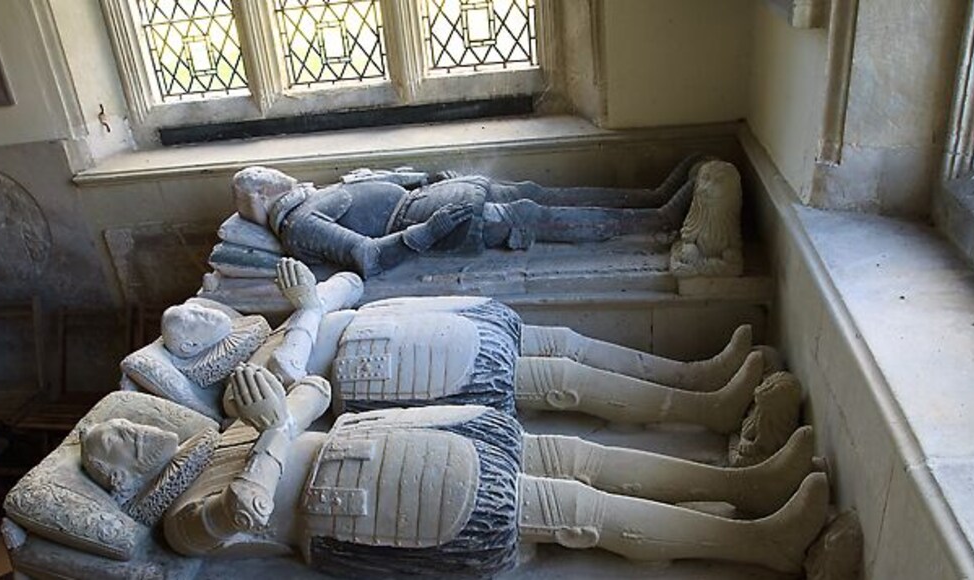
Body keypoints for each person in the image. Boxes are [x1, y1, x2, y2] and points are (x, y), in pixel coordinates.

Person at [81, 366, 829, 576]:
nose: (125, 427)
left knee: (582, 458)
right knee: (573, 507)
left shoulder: (214, 440)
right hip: (377, 503)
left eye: (118, 419)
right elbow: (243, 513)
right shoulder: (179, 513)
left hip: (402, 443)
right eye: (110, 441)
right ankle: (763, 543)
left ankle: (745, 487)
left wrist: (280, 407)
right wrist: (276, 423)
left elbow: (316, 393)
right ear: (119, 481)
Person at [122, 258, 778, 435]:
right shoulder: (256, 372)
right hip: (405, 373)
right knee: (561, 382)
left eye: (198, 308)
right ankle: (706, 413)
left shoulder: (275, 325)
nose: (203, 311)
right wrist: (310, 306)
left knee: (569, 344)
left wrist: (314, 300)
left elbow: (352, 281)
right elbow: (302, 380)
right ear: (199, 354)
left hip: (426, 326)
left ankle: (698, 377)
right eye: (194, 322)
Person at [229, 156, 714, 277]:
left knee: (530, 190)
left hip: (428, 193)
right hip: (420, 219)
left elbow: (378, 184)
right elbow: (368, 256)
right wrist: (429, 231)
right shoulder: (299, 226)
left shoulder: (311, 196)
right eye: (269, 179)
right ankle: (660, 222)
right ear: (265, 194)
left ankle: (649, 198)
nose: (280, 177)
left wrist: (425, 177)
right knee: (529, 215)